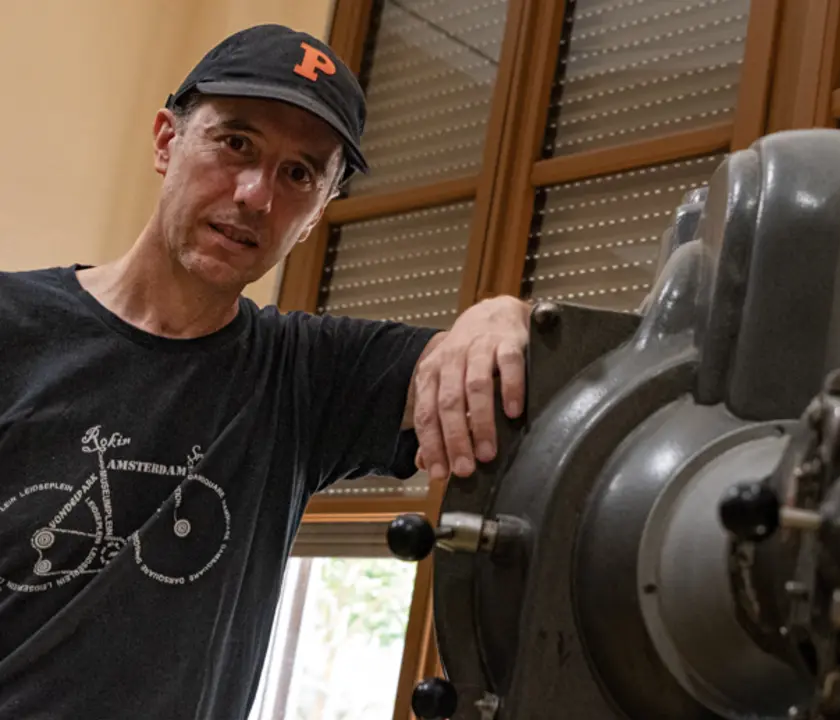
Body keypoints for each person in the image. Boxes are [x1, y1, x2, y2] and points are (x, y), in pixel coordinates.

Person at [0, 24, 530, 719]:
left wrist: (501, 313)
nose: (255, 195)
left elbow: (481, 369)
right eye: (236, 144)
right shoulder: (13, 323)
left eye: (299, 174)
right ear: (167, 140)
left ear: (315, 216)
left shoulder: (307, 378)